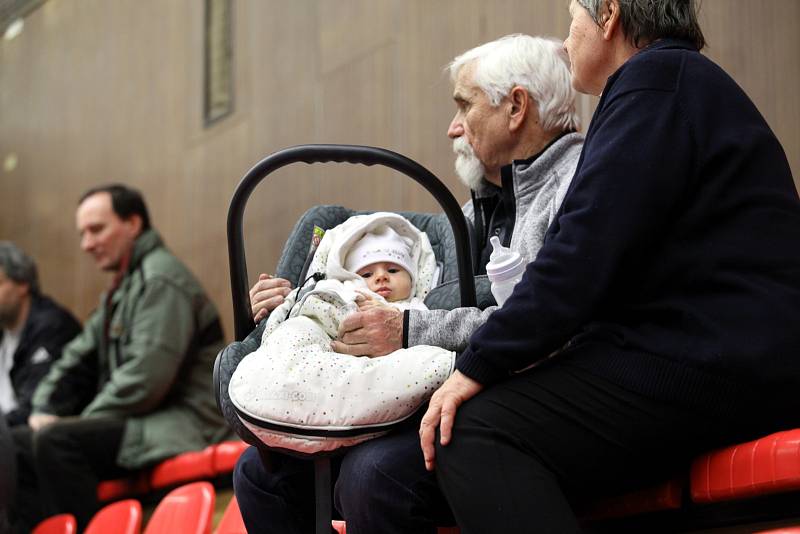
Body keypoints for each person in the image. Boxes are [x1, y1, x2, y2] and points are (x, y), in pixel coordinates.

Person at [420, 1, 800, 532]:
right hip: (719, 355)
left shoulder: (654, 84)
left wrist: (476, 365)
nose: (567, 39)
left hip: (715, 364)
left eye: (572, 18)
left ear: (609, 16)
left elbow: (577, 261)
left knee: (477, 432)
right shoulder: (675, 83)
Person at [235, 35, 583, 534]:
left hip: (516, 390)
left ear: (516, 107)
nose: (452, 128)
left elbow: (538, 318)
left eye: (464, 106)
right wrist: (288, 308)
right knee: (259, 472)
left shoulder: (572, 185)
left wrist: (407, 329)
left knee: (372, 475)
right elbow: (415, 298)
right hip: (453, 386)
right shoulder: (468, 214)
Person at [10, 184, 230, 531]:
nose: (86, 244)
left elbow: (146, 380)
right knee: (15, 444)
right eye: (82, 233)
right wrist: (42, 410)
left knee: (57, 441)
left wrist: (80, 422)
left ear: (133, 223)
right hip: (147, 422)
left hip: (187, 425)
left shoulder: (160, 279)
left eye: (96, 230)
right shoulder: (122, 287)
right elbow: (73, 356)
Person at [0, 242, 81, 428]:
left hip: (28, 438)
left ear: (22, 285)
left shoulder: (52, 328)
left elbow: (34, 408)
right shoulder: (4, 329)